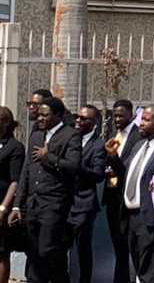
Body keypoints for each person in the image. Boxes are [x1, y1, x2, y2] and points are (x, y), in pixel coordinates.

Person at [9, 96, 81, 283]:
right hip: (33, 204)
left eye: (45, 115)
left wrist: (48, 157)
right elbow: (26, 170)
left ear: (57, 115)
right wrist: (17, 206)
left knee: (47, 250)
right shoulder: (36, 135)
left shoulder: (70, 135)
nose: (40, 118)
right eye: (39, 115)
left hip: (54, 204)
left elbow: (73, 167)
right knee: (32, 252)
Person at [106, 105, 154, 283]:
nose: (141, 124)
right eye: (141, 119)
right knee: (137, 267)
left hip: (150, 219)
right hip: (131, 217)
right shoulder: (138, 146)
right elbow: (126, 175)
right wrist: (113, 158)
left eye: (146, 120)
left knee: (150, 270)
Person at [103, 99, 141, 283]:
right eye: (114, 116)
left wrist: (113, 159)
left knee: (127, 247)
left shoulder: (137, 136)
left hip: (127, 199)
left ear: (131, 114)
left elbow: (129, 169)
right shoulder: (113, 134)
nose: (117, 119)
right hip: (112, 197)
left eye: (121, 115)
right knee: (118, 247)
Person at [69, 105, 107, 283]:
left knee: (82, 248)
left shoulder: (98, 145)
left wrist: (78, 166)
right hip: (64, 201)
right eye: (78, 117)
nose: (79, 121)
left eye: (84, 119)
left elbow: (98, 175)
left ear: (93, 123)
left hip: (84, 203)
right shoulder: (70, 139)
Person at [0, 107, 24, 283]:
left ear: (6, 122)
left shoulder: (14, 147)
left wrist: (3, 207)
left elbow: (15, 181)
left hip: (2, 202)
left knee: (1, 252)